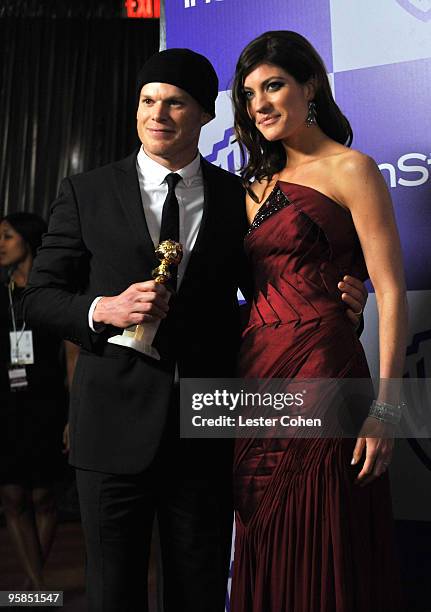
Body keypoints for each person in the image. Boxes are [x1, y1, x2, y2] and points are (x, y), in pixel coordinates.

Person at [22, 48, 367, 611]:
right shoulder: (85, 192)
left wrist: (336, 306)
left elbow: (271, 292)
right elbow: (39, 299)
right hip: (110, 428)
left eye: (175, 103)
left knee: (200, 589)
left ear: (205, 115)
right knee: (113, 592)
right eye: (147, 101)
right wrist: (102, 309)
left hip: (208, 426)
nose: (157, 114)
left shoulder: (243, 197)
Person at [229, 31, 408, 611]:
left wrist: (386, 409)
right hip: (255, 380)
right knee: (265, 530)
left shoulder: (351, 168)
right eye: (250, 93)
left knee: (325, 529)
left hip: (325, 373)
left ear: (310, 86)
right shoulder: (249, 189)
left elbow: (393, 291)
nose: (260, 104)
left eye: (274, 85)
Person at [0, 212, 69, 589]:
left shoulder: (52, 292)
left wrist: (72, 415)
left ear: (28, 240)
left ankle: (32, 586)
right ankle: (37, 584)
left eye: (7, 236)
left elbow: (71, 356)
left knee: (44, 496)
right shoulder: (1, 295)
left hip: (46, 404)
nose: (0, 244)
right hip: (5, 406)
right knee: (11, 495)